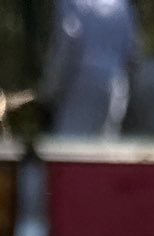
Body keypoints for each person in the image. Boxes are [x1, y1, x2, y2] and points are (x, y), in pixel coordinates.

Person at [40, 0, 138, 136]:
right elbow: (131, 51)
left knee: (68, 147)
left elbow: (67, 42)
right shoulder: (120, 4)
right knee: (105, 149)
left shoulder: (71, 2)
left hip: (81, 83)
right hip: (115, 85)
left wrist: (50, 89)